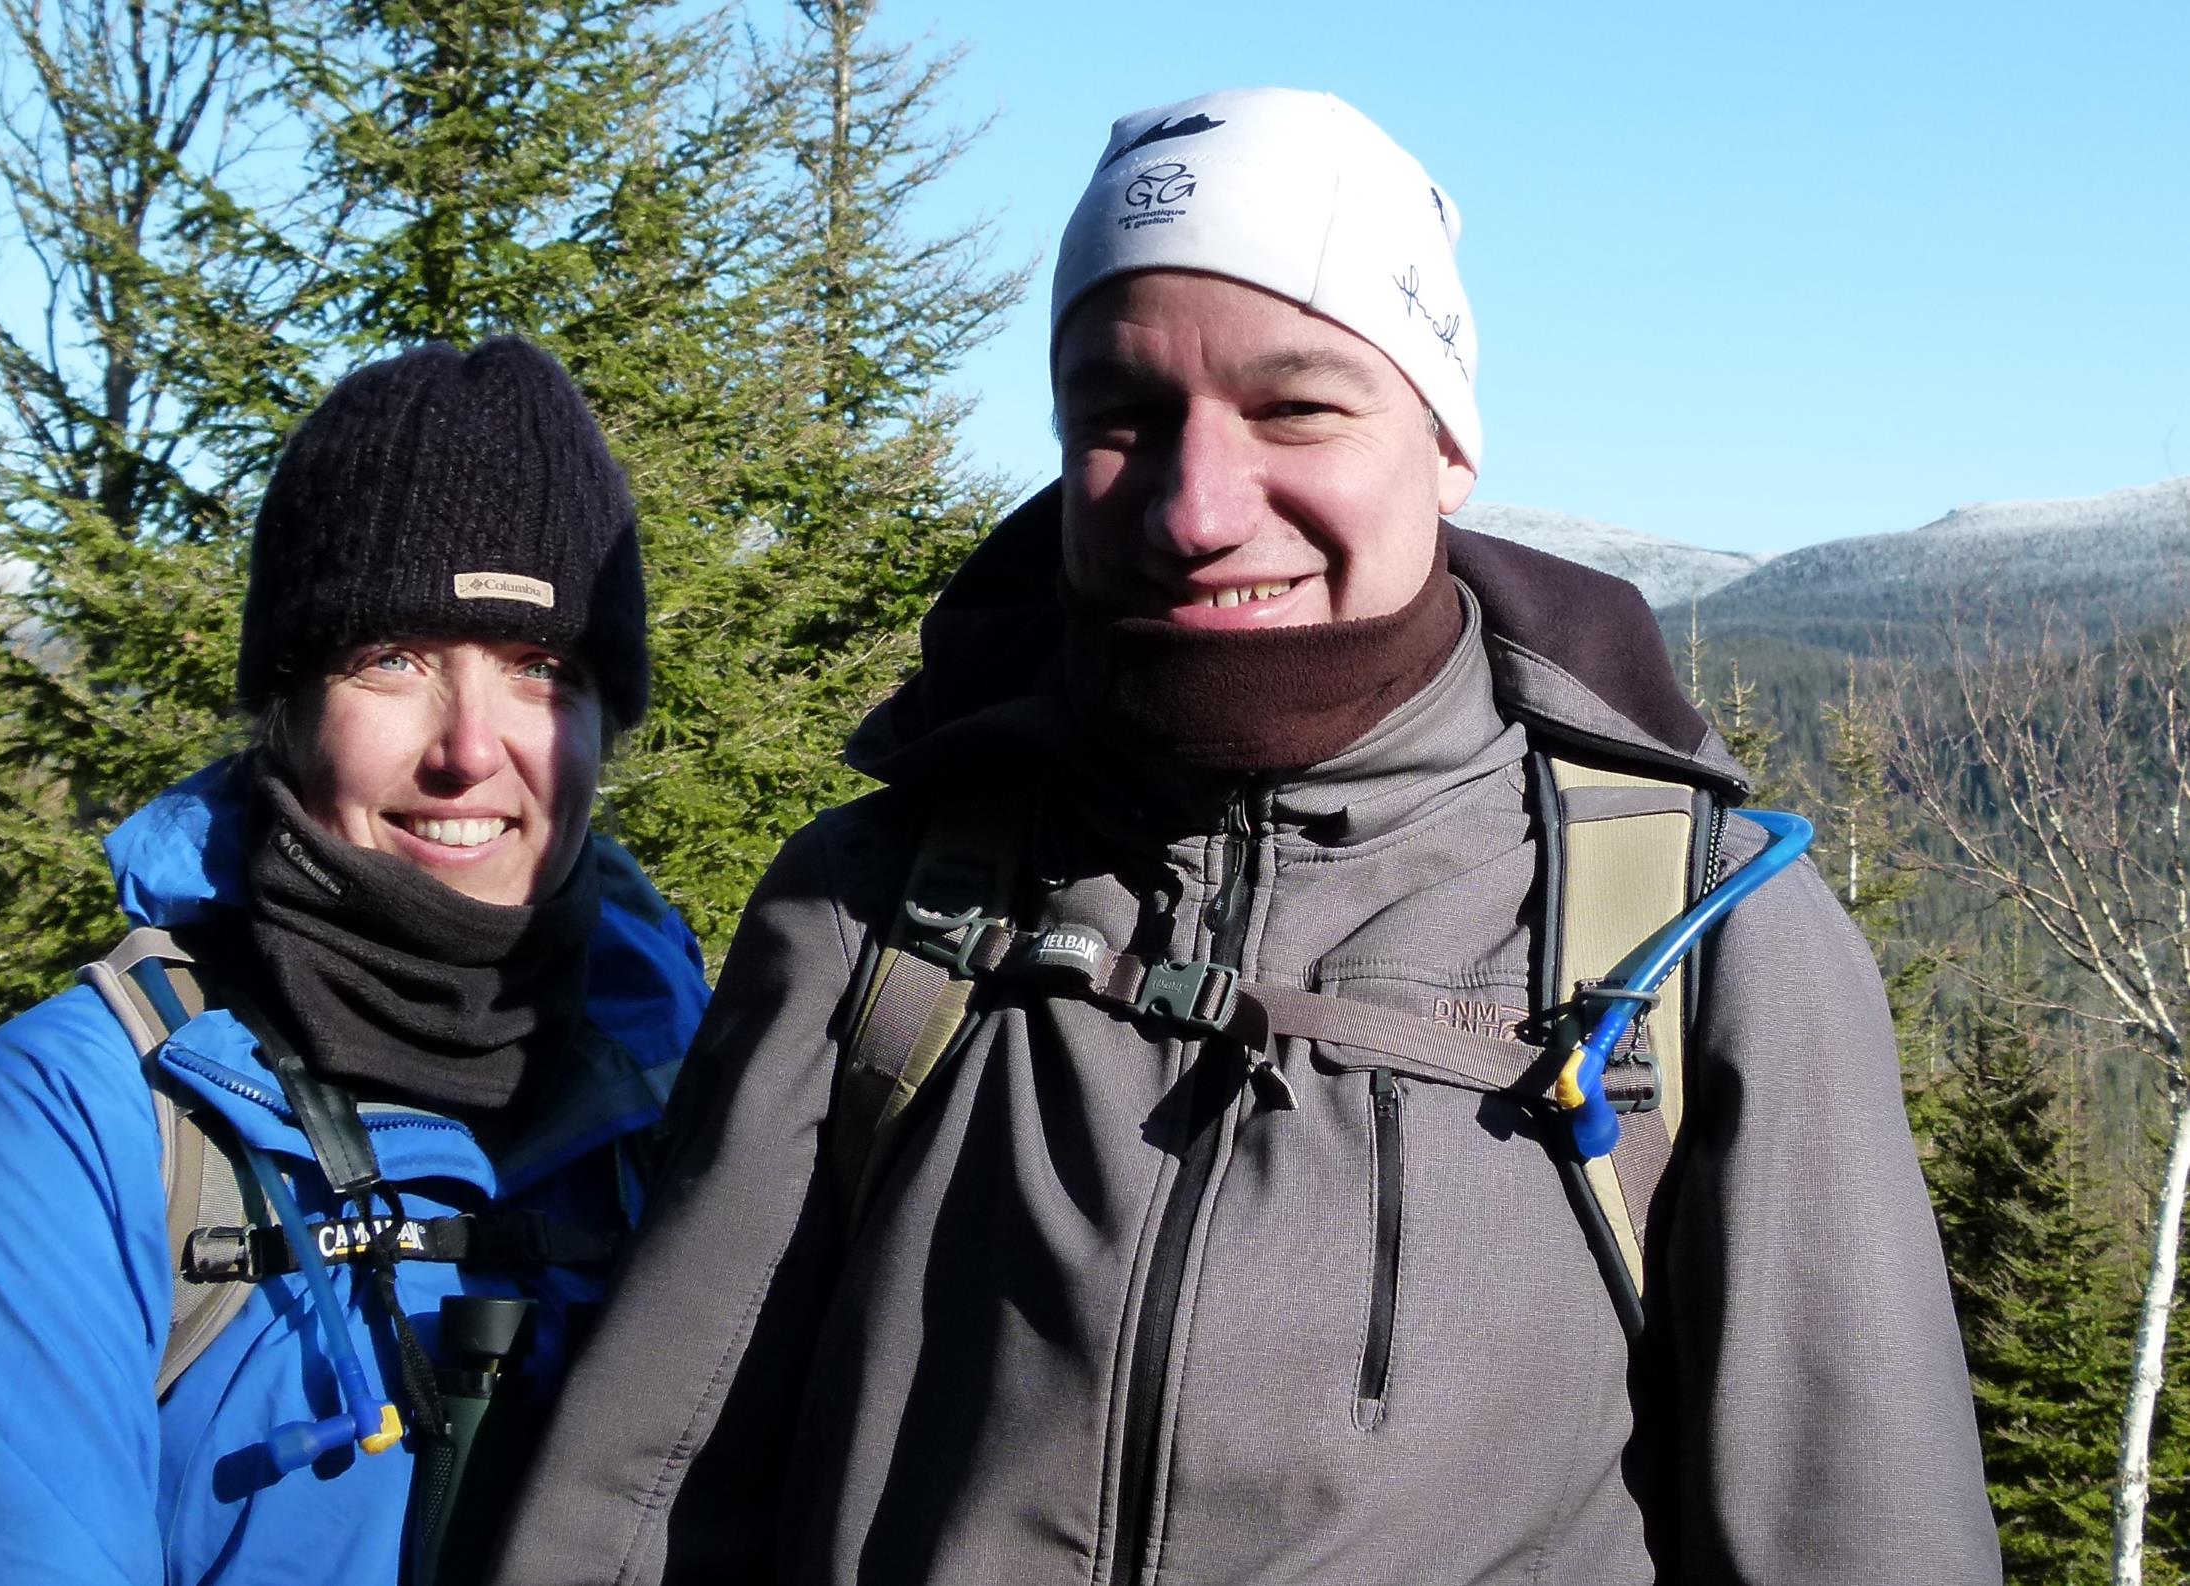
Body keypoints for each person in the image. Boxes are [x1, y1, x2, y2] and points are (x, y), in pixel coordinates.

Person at [490, 88, 1999, 1585]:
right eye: (1119, 418)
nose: (1196, 507)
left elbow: (1850, 1533)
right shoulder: (874, 902)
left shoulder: (1696, 936)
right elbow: (641, 1497)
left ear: (1445, 439)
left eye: (1294, 406)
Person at [0, 338, 709, 1585]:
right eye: (391, 659)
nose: (468, 747)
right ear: (284, 707)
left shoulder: (707, 1098)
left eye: (539, 670)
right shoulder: (73, 1125)